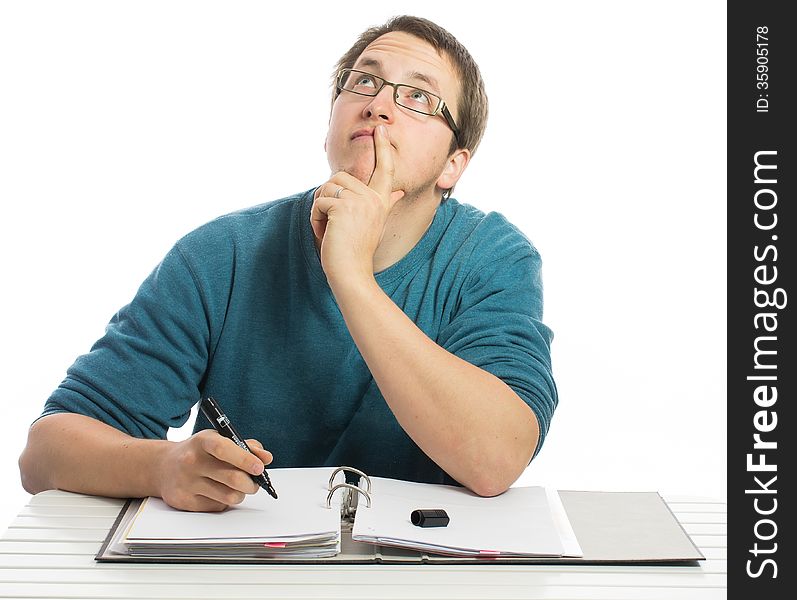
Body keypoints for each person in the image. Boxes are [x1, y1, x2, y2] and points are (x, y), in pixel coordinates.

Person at [18, 15, 557, 512]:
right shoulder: (222, 254)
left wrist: (350, 276)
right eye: (363, 81)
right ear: (330, 124)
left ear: (453, 165)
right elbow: (44, 453)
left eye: (418, 96)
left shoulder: (491, 256)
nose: (378, 105)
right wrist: (161, 466)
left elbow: (495, 459)